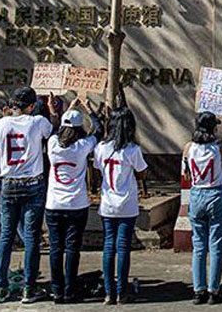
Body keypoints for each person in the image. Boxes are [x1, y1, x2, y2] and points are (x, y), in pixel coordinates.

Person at [0, 87, 58, 304]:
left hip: (8, 183)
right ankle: (29, 288)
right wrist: (51, 109)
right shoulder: (37, 122)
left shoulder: (1, 124)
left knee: (6, 236)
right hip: (32, 183)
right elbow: (53, 130)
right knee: (31, 236)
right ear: (31, 106)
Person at [45, 99, 101, 303]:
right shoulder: (83, 146)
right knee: (72, 249)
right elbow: (99, 129)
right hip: (77, 204)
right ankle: (69, 290)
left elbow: (56, 128)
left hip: (53, 204)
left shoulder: (52, 144)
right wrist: (88, 109)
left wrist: (66, 110)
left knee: (55, 248)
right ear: (79, 129)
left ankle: (56, 289)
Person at [94, 103, 148, 305]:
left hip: (108, 202)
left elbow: (98, 169)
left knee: (109, 245)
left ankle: (108, 293)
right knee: (123, 246)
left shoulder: (101, 148)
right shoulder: (133, 149)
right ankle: (121, 292)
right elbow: (142, 171)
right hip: (127, 203)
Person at [182, 111, 222, 305]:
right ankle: (214, 289)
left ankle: (198, 289)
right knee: (216, 243)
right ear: (213, 128)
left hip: (197, 193)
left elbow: (186, 175)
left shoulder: (188, 148)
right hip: (216, 193)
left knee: (199, 245)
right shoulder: (219, 147)